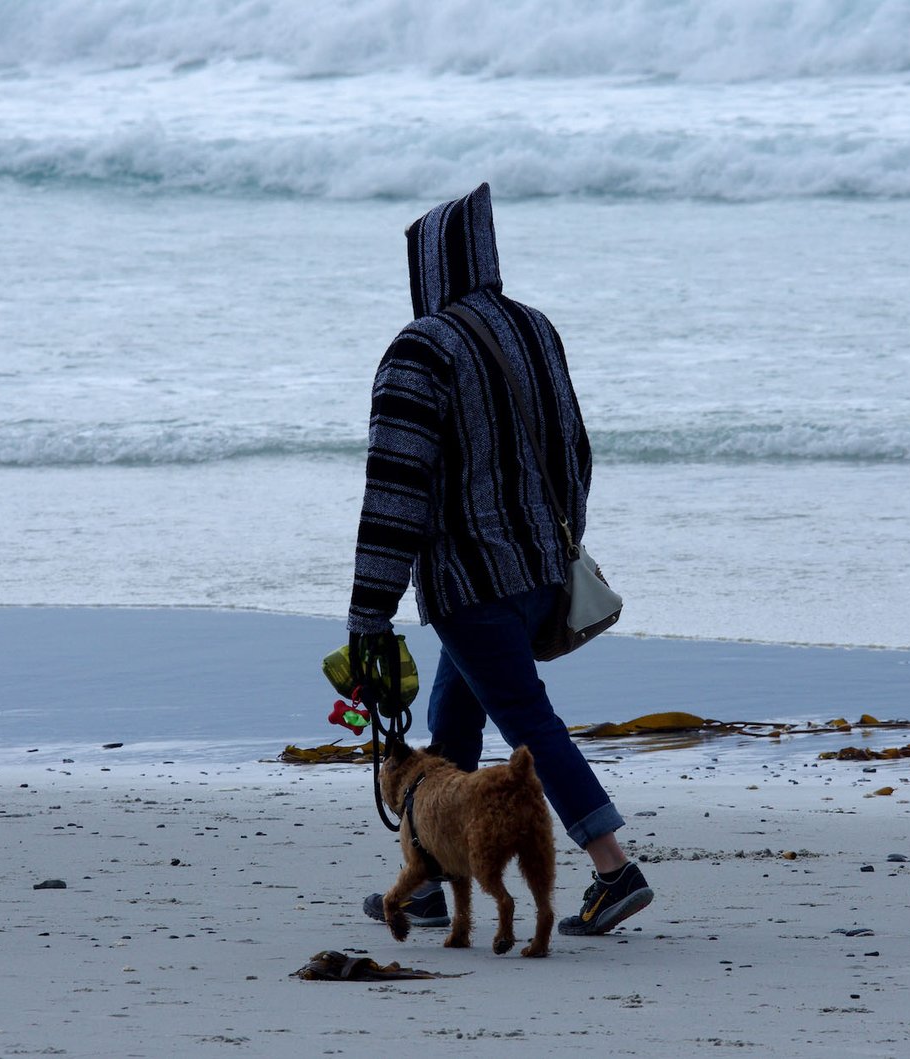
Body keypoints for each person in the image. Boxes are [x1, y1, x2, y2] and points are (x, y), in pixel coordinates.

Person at [347, 183, 653, 937]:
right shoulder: (535, 328)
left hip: (470, 582)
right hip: (540, 574)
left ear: (426, 265)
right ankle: (426, 879)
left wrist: (368, 615)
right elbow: (575, 449)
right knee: (455, 722)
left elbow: (395, 491)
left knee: (525, 722)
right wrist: (558, 544)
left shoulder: (420, 348)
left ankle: (614, 867)